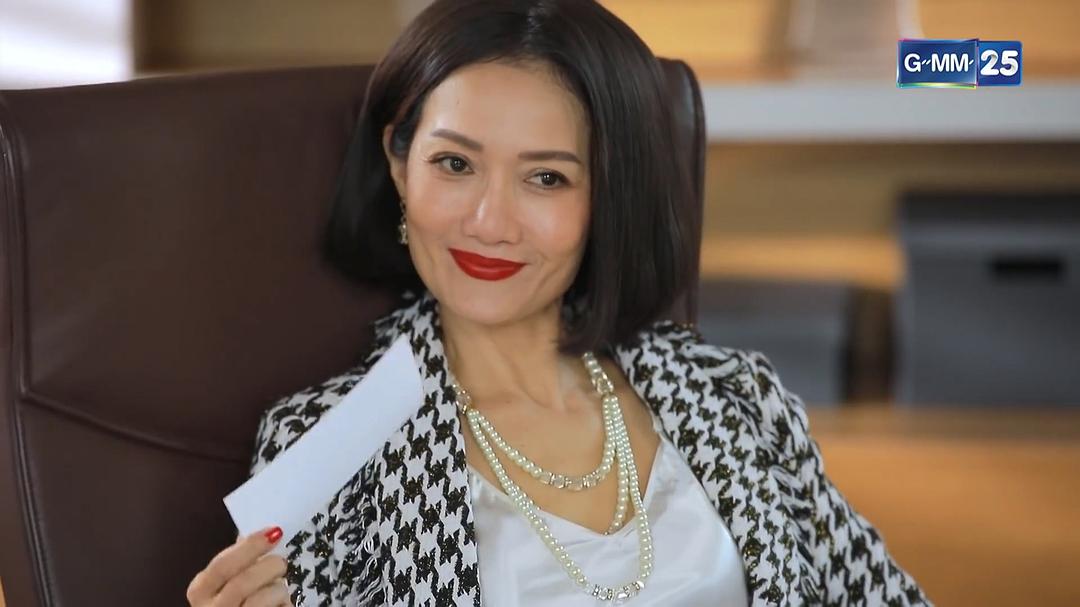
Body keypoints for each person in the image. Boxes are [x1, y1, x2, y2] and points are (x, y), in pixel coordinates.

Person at [187, 0, 931, 605]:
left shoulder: (735, 395)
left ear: (608, 198)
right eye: (454, 163)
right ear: (399, 164)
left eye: (546, 178)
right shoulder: (321, 449)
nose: (490, 222)